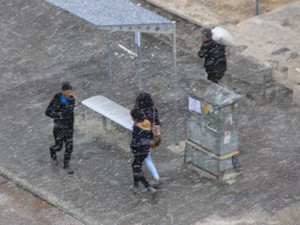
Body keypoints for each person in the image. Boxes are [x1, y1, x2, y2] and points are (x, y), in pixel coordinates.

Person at [45, 82, 75, 174]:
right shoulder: (56, 98)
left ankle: (66, 165)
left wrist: (64, 114)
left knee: (69, 146)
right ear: (62, 91)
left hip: (69, 126)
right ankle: (53, 149)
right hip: (58, 127)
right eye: (67, 92)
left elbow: (68, 111)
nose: (70, 94)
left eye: (71, 92)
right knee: (59, 147)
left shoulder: (72, 99)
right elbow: (47, 112)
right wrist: (58, 115)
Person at [135, 92, 162, 188]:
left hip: (142, 137)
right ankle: (140, 172)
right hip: (150, 136)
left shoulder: (140, 112)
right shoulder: (154, 109)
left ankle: (157, 178)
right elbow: (157, 121)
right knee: (144, 156)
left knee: (147, 157)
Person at [130, 108, 157, 194]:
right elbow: (151, 136)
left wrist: (133, 148)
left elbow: (135, 141)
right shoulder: (147, 123)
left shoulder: (136, 127)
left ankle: (147, 187)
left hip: (139, 151)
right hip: (145, 150)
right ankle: (136, 186)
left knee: (136, 168)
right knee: (135, 167)